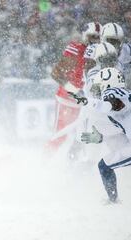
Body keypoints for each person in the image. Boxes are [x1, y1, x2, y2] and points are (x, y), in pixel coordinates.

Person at [71, 67, 131, 203]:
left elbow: (111, 105)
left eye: (100, 87)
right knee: (105, 164)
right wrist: (101, 138)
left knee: (104, 166)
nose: (98, 91)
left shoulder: (114, 94)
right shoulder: (122, 99)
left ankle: (113, 201)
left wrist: (88, 101)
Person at [46, 22, 101, 155]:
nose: (93, 41)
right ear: (84, 36)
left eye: (97, 37)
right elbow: (56, 73)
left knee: (83, 139)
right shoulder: (76, 49)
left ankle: (73, 168)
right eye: (91, 36)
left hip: (87, 105)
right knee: (60, 135)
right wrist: (75, 91)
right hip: (67, 100)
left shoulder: (101, 53)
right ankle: (44, 164)